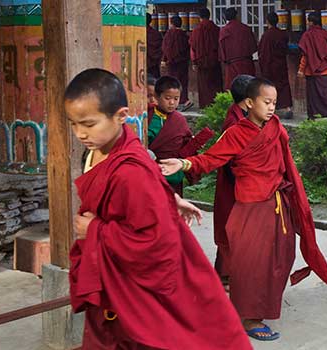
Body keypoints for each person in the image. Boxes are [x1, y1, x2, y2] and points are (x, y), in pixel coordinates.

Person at [64, 68, 251, 349]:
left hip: (133, 287)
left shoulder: (129, 168)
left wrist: (96, 230)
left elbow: (156, 243)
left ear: (121, 116)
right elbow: (149, 173)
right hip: (113, 271)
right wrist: (169, 197)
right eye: (74, 124)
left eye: (88, 124)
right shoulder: (108, 148)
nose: (80, 133)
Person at [160, 78, 327, 341]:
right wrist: (183, 164)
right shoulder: (237, 132)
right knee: (252, 263)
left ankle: (261, 307)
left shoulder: (275, 127)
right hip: (251, 205)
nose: (272, 108)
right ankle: (250, 318)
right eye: (266, 102)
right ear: (250, 103)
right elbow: (211, 158)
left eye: (274, 102)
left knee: (280, 257)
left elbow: (285, 162)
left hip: (276, 203)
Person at [212, 74, 255, 280]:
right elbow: (230, 158)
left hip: (238, 183)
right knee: (232, 229)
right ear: (248, 100)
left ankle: (229, 273)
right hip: (233, 184)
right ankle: (226, 276)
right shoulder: (234, 122)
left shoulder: (240, 116)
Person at [148, 76, 194, 195]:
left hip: (174, 173)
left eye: (176, 99)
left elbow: (186, 144)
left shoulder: (179, 120)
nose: (172, 103)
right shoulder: (147, 117)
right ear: (157, 97)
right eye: (167, 98)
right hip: (153, 172)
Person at [259, 12, 294, 118]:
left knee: (270, 88)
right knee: (283, 85)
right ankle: (287, 108)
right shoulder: (282, 34)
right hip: (281, 64)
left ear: (267, 22)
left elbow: (263, 52)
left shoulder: (266, 35)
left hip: (270, 65)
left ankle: (271, 110)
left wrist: (263, 66)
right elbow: (285, 49)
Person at [190, 7, 222, 108]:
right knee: (215, 83)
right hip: (215, 61)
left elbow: (193, 47)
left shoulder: (196, 30)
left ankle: (205, 106)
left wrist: (194, 62)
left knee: (204, 85)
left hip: (201, 61)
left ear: (199, 17)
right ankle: (216, 105)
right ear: (209, 15)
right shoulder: (216, 29)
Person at [219, 8, 258, 90]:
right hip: (247, 63)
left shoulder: (224, 30)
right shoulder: (246, 28)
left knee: (233, 89)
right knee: (248, 88)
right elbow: (254, 47)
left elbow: (222, 51)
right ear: (237, 16)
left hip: (232, 65)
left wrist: (225, 60)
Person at [162, 15, 192, 110]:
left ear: (172, 24)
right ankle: (184, 100)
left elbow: (166, 48)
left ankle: (173, 102)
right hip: (182, 63)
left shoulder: (169, 34)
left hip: (172, 64)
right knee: (183, 81)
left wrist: (165, 59)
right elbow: (187, 48)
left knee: (173, 82)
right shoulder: (184, 35)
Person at [146, 15, 163, 80]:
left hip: (142, 64)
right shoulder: (156, 34)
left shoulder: (137, 33)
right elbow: (161, 48)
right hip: (153, 65)